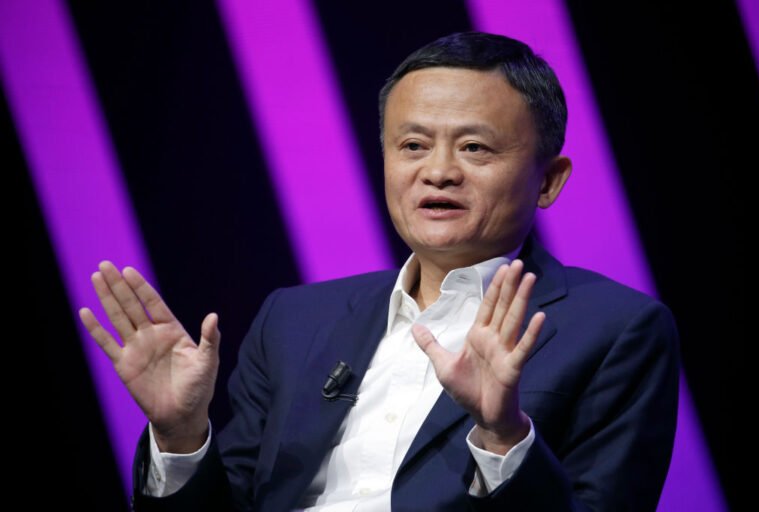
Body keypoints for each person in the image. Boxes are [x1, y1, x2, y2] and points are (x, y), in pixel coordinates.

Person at [79, 32, 680, 511]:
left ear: (548, 180)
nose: (438, 171)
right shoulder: (294, 319)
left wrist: (503, 436)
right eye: (412, 146)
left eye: (474, 148)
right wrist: (181, 437)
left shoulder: (616, 329)